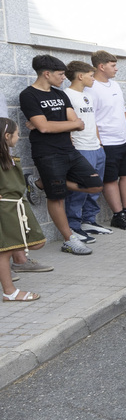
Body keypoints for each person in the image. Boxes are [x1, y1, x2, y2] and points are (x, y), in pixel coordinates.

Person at [18, 54, 103, 256]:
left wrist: (53, 124)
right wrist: (59, 124)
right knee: (57, 196)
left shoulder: (60, 94)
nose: (64, 78)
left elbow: (78, 123)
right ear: (46, 74)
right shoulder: (28, 95)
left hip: (69, 150)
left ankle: (40, 183)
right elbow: (44, 128)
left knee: (95, 184)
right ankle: (69, 240)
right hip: (47, 152)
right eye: (60, 74)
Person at [89, 51, 126, 230]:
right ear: (101, 66)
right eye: (113, 65)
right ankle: (118, 214)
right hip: (106, 142)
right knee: (110, 179)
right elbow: (90, 117)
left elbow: (121, 109)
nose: (116, 69)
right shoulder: (90, 87)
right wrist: (98, 142)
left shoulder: (114, 85)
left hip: (123, 139)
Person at [1, 118, 48, 301]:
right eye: (17, 134)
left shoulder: (7, 158)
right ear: (7, 136)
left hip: (15, 207)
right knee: (4, 252)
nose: (18, 137)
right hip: (5, 209)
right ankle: (10, 292)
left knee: (37, 242)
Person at [62, 62, 105, 245]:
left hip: (95, 147)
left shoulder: (88, 95)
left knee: (95, 188)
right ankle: (74, 225)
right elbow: (68, 123)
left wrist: (100, 144)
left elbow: (92, 121)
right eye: (91, 75)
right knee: (80, 191)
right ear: (80, 76)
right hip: (80, 148)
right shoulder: (66, 95)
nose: (93, 79)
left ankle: (89, 220)